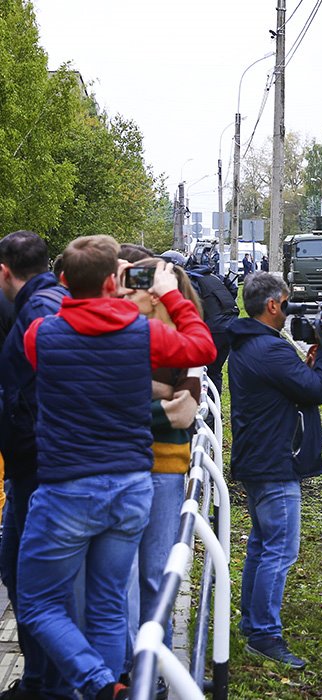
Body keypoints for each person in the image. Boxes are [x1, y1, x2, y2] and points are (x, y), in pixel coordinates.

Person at [18, 235, 215, 700]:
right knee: (108, 607)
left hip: (66, 490)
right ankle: (110, 687)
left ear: (63, 282)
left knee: (38, 602)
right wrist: (168, 293)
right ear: (114, 281)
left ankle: (99, 684)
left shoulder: (40, 334)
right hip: (129, 489)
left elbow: (50, 355)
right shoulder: (143, 334)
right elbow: (201, 347)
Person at [227, 272, 322, 669]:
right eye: (287, 302)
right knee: (280, 550)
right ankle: (264, 634)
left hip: (258, 459)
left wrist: (309, 362)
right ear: (273, 305)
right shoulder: (269, 350)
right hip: (274, 463)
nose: (289, 309)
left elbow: (293, 386)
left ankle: (250, 623)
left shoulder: (247, 344)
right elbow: (316, 391)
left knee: (261, 545)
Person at [119, 257, 204, 699]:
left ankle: (153, 669)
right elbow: (113, 399)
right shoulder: (123, 332)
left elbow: (185, 411)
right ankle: (129, 670)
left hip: (164, 470)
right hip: (121, 469)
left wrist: (135, 402)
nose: (131, 290)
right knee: (121, 581)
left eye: (140, 281)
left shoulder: (185, 339)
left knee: (156, 576)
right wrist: (160, 396)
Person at [0, 230, 72, 700]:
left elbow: (54, 386)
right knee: (25, 574)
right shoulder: (49, 300)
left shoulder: (40, 308)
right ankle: (46, 678)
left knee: (28, 578)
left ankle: (49, 682)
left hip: (38, 468)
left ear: (4, 271)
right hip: (37, 464)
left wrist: (29, 443)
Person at [178, 252, 238, 393]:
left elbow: (191, 304)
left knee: (202, 369)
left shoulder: (191, 280)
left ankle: (208, 411)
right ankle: (214, 411)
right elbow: (233, 290)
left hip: (215, 328)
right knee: (214, 371)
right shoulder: (212, 275)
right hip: (231, 325)